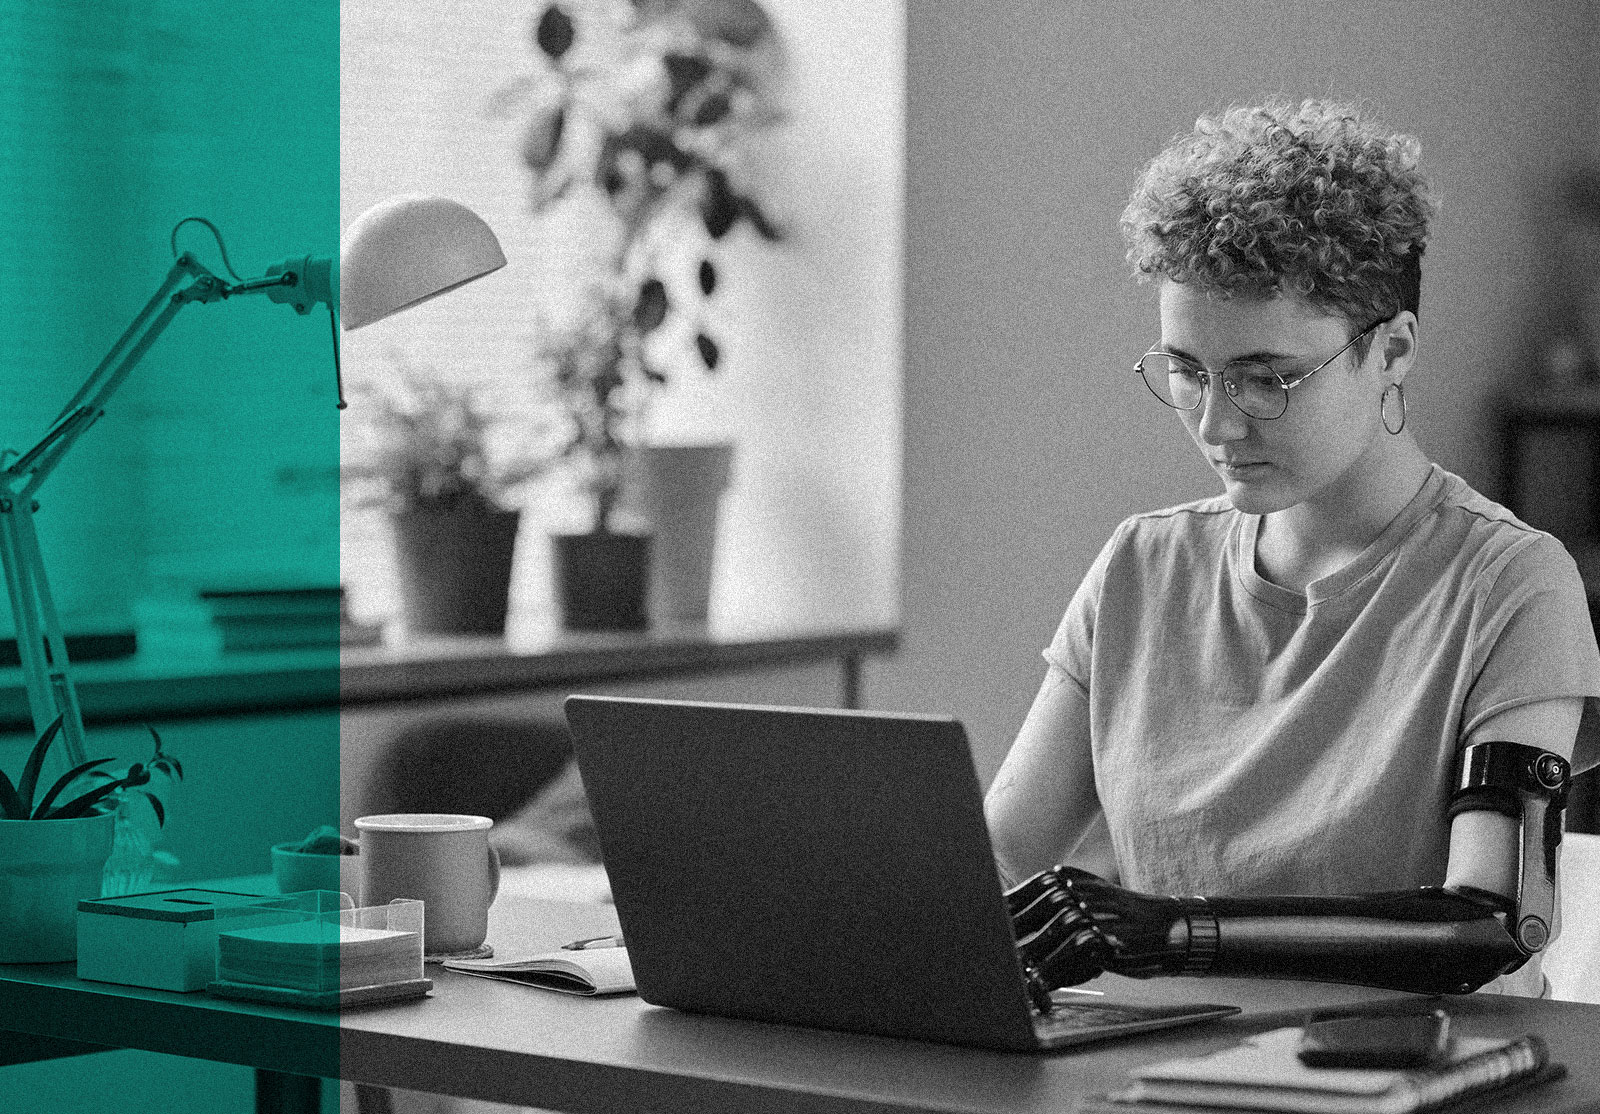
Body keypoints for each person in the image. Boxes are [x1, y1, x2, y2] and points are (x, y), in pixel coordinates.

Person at [983, 99, 1600, 1000]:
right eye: (1189, 371)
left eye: (1268, 378)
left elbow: (1490, 924)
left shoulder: (1510, 585)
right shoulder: (1140, 571)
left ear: (1391, 352)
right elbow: (1003, 848)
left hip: (1414, 1082)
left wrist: (1180, 933)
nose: (1216, 422)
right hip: (1160, 1073)